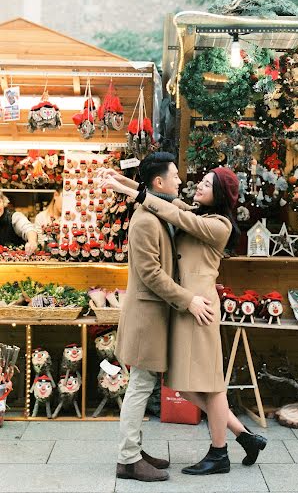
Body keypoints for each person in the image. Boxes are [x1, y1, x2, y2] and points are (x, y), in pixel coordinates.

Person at [100, 165, 267, 476]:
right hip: (183, 308)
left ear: (220, 193)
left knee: (211, 385)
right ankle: (245, 436)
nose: (196, 186)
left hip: (199, 307)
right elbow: (163, 198)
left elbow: (175, 214)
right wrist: (121, 180)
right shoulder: (196, 212)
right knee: (186, 385)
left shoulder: (218, 225)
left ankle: (219, 453)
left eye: (206, 183)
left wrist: (130, 191)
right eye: (199, 181)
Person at [100, 152, 213, 483]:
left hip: (154, 315)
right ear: (159, 182)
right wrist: (188, 299)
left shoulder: (159, 208)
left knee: (144, 383)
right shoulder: (146, 220)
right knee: (140, 385)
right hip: (146, 316)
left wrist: (123, 182)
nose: (181, 180)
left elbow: (172, 207)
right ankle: (128, 458)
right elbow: (151, 274)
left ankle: (134, 448)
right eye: (175, 176)